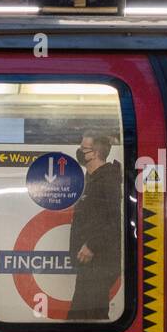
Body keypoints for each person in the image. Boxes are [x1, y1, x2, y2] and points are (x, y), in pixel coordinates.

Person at [67, 131, 124, 320]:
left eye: (84, 148)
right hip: (91, 263)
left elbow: (114, 220)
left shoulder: (108, 180)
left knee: (86, 317)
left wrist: (92, 245)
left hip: (100, 261)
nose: (80, 151)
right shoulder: (91, 179)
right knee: (87, 315)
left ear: (96, 153)